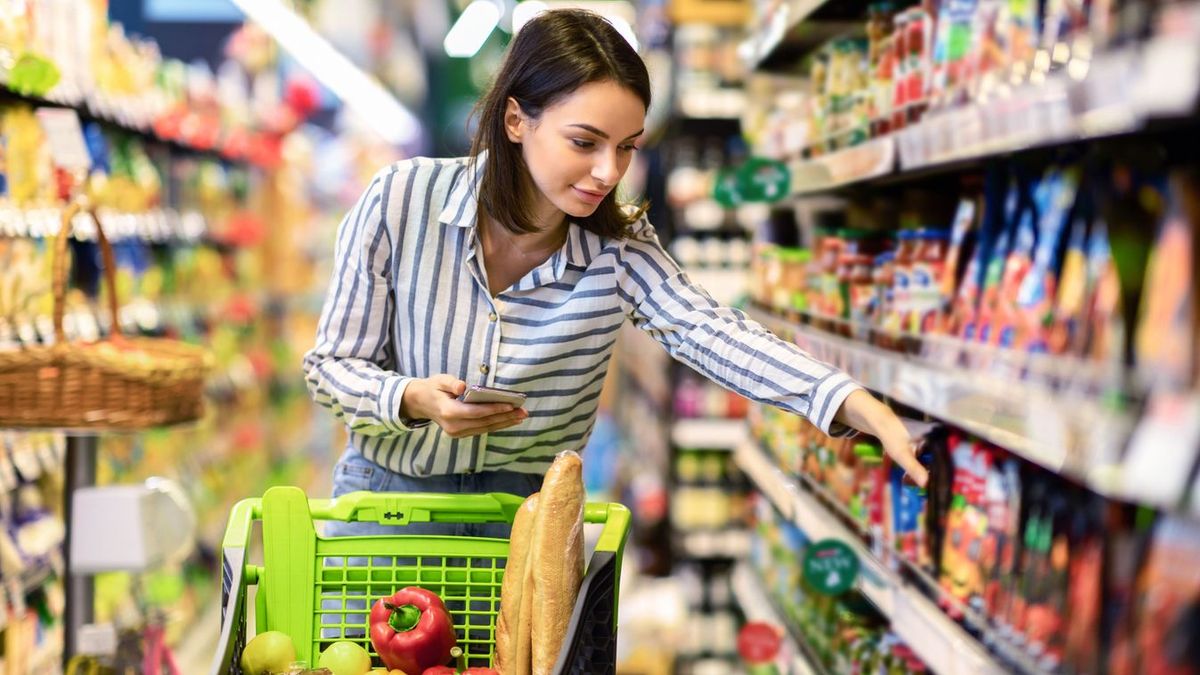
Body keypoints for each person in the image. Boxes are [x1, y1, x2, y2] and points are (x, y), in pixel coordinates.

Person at [303, 9, 928, 541]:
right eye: (585, 142)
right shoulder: (402, 199)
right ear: (517, 121)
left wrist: (850, 402)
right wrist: (410, 399)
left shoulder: (619, 245)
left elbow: (712, 332)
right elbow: (331, 365)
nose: (609, 171)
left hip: (531, 526)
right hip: (386, 509)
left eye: (627, 146)